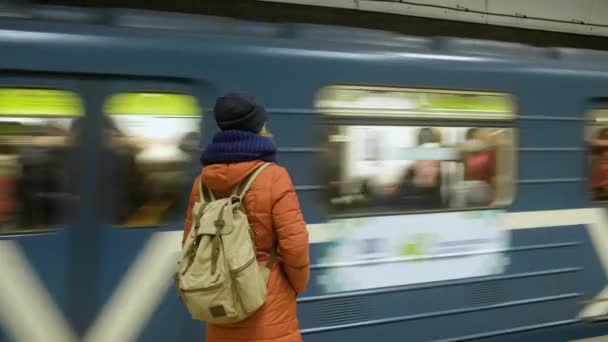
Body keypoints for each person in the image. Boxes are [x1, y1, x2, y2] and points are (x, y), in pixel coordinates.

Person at [182, 93, 310, 342]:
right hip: (268, 303)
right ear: (258, 127)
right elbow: (295, 245)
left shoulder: (202, 183)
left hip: (220, 302)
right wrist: (296, 286)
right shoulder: (274, 176)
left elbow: (191, 244)